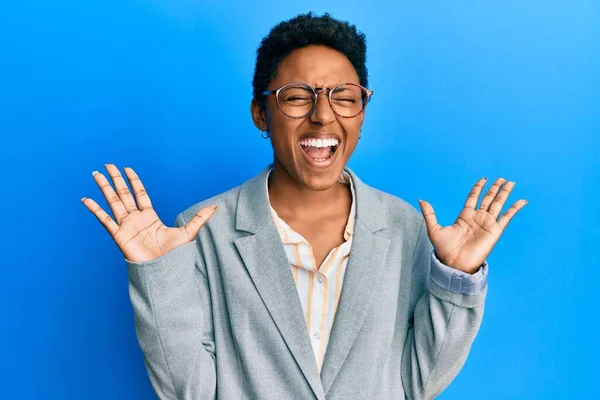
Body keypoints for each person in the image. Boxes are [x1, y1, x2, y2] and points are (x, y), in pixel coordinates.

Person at [81, 12, 527, 400]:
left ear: (362, 113)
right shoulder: (203, 231)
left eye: (345, 97)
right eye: (297, 96)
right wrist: (157, 277)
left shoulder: (404, 227)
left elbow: (420, 383)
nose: (323, 115)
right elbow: (188, 393)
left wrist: (457, 280)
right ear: (261, 113)